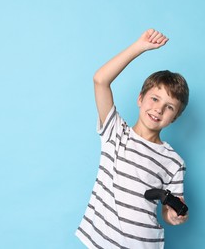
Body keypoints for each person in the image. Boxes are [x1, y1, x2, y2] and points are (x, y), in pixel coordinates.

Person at [76, 29, 189, 249]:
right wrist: (140, 47)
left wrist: (174, 215)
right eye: (154, 99)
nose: (158, 109)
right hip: (101, 242)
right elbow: (100, 80)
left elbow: (167, 212)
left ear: (174, 117)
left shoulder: (174, 162)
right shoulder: (115, 132)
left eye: (169, 107)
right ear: (140, 98)